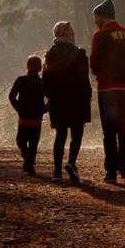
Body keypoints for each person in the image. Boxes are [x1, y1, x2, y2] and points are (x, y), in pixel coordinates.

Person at [89, 0, 125, 184]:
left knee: (109, 131)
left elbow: (94, 62)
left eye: (95, 17)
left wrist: (102, 75)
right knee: (124, 127)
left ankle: (111, 172)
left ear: (102, 17)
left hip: (107, 89)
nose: (94, 21)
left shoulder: (100, 35)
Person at [42, 20, 92, 183]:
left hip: (57, 101)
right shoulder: (79, 53)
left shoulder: (49, 54)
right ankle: (71, 163)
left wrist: (51, 98)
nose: (74, 34)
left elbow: (46, 83)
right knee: (77, 134)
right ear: (67, 34)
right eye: (72, 31)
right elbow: (85, 80)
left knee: (60, 135)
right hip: (76, 99)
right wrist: (88, 96)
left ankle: (57, 172)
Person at [8, 54, 47, 175]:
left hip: (24, 117)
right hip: (37, 119)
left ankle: (27, 158)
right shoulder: (42, 82)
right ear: (40, 68)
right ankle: (30, 164)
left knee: (20, 141)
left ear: (27, 66)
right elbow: (52, 98)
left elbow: (11, 96)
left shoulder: (21, 80)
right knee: (33, 143)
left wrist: (19, 108)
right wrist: (44, 110)